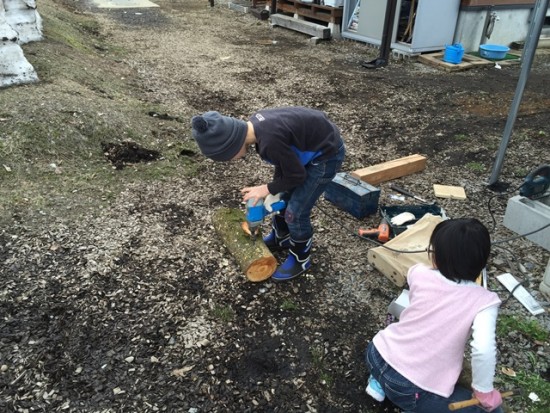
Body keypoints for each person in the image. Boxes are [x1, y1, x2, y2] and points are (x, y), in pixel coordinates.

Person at [191, 106, 345, 281]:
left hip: (326, 155)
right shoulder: (257, 130)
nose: (230, 161)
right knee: (283, 195)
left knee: (296, 212)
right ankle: (282, 237)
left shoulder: (269, 142)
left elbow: (296, 175)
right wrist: (277, 190)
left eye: (227, 158)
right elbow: (283, 162)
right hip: (310, 145)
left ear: (231, 147)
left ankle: (301, 258)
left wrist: (267, 189)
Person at [365, 218, 503, 413]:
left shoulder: (419, 273)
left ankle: (378, 381)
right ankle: (406, 402)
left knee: (394, 370)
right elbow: (482, 349)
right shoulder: (485, 301)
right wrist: (484, 391)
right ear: (481, 263)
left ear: (436, 257)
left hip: (376, 354)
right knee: (490, 410)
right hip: (410, 388)